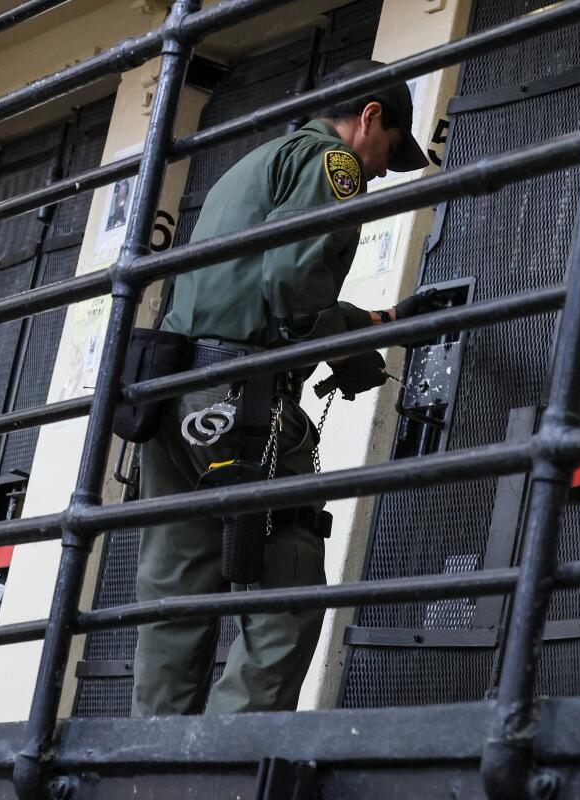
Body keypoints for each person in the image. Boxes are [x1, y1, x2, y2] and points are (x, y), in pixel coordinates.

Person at [131, 60, 447, 717]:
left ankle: (151, 765)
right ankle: (223, 771)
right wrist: (359, 354)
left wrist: (384, 323)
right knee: (290, 583)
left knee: (177, 595)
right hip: (242, 398)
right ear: (369, 115)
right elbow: (294, 300)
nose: (384, 170)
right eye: (390, 150)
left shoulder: (253, 166)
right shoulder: (332, 164)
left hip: (175, 394)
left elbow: (257, 289)